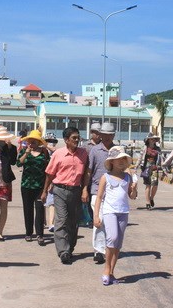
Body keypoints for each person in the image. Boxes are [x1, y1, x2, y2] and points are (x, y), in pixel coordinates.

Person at [41, 127, 88, 264]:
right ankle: (63, 251)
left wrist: (85, 189)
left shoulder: (83, 154)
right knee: (61, 221)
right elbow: (50, 174)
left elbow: (86, 173)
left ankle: (70, 248)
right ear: (66, 140)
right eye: (73, 138)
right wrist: (44, 191)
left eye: (78, 137)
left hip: (76, 191)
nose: (77, 140)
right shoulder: (58, 154)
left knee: (73, 222)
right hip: (60, 190)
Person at [93, 146, 137, 285]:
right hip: (109, 211)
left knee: (118, 244)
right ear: (111, 161)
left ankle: (112, 271)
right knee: (112, 237)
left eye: (124, 159)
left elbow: (132, 196)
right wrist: (96, 216)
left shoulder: (128, 177)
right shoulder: (105, 177)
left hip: (123, 212)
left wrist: (134, 189)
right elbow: (99, 197)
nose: (121, 161)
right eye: (118, 159)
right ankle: (106, 268)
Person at [83, 121, 117, 264]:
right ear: (100, 135)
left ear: (113, 135)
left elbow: (124, 169)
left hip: (114, 191)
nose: (107, 137)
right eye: (104, 134)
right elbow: (89, 172)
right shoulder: (95, 151)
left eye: (109, 135)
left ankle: (108, 249)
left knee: (110, 223)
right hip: (96, 190)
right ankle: (98, 251)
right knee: (99, 220)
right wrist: (85, 189)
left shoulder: (117, 150)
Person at [17, 129, 50, 245]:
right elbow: (19, 163)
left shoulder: (44, 152)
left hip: (40, 186)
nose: (31, 144)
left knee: (40, 209)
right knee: (28, 210)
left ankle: (40, 234)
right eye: (29, 142)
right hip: (26, 185)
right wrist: (26, 153)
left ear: (39, 142)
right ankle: (28, 233)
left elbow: (48, 170)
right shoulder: (24, 152)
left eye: (34, 142)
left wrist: (48, 187)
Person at [138, 133, 162, 210]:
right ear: (148, 140)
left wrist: (163, 169)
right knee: (148, 185)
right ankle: (148, 202)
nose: (153, 140)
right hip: (146, 168)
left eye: (154, 139)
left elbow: (161, 159)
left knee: (155, 185)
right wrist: (136, 167)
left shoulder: (158, 149)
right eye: (151, 139)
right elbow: (140, 157)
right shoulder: (145, 148)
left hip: (154, 168)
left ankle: (151, 198)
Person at [43, 132, 58, 232]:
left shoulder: (56, 153)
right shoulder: (42, 151)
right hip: (41, 179)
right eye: (48, 141)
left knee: (52, 202)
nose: (50, 143)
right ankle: (43, 220)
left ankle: (51, 223)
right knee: (43, 202)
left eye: (52, 142)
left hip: (52, 179)